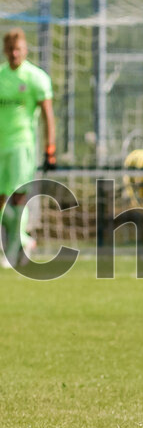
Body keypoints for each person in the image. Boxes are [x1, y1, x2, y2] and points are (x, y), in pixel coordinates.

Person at [0, 28, 56, 267]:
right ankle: (21, 240)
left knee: (18, 198)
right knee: (3, 201)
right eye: (11, 50)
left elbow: (47, 115)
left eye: (18, 49)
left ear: (25, 50)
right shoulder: (1, 77)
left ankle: (14, 249)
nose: (15, 54)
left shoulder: (35, 77)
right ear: (5, 51)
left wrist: (49, 149)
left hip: (22, 147)